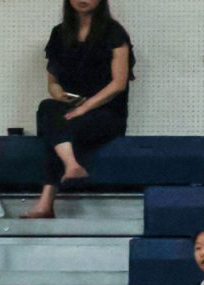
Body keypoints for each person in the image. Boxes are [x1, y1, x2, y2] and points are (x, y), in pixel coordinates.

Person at [22, 0, 134, 219]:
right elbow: (53, 83)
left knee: (55, 128)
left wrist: (86, 107)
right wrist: (61, 96)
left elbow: (119, 83)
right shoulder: (60, 33)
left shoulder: (114, 32)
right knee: (47, 108)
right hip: (72, 110)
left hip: (106, 113)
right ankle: (71, 164)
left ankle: (46, 202)